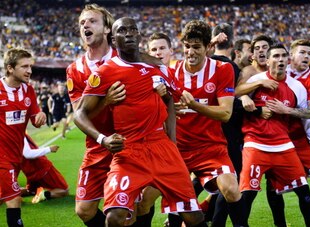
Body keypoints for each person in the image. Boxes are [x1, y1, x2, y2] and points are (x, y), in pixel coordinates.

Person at [74, 17, 207, 227]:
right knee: (115, 216)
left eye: (132, 29)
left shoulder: (158, 67)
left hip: (162, 148)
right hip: (129, 150)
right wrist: (103, 139)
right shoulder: (105, 72)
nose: (128, 33)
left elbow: (171, 99)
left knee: (193, 216)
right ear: (114, 41)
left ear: (138, 36)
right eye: (122, 30)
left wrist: (171, 140)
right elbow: (79, 113)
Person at [172, 20, 246, 227]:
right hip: (179, 149)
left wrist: (194, 105)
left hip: (211, 147)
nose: (190, 52)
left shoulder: (223, 69)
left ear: (207, 48)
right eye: (187, 47)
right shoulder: (172, 72)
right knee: (149, 197)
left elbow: (225, 113)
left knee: (231, 189)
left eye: (196, 47)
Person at [239, 43, 310, 227]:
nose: (280, 59)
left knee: (304, 191)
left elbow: (309, 114)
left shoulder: (296, 86)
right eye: (276, 56)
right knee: (247, 194)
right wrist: (247, 96)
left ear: (287, 60)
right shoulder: (257, 79)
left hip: (283, 145)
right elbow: (233, 94)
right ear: (267, 61)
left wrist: (287, 110)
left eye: (283, 56)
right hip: (255, 144)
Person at [266, 39, 310, 227]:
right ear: (291, 55)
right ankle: (280, 224)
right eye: (302, 52)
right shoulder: (277, 72)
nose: (307, 56)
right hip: (276, 138)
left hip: (300, 139)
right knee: (274, 186)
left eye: (309, 53)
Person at [66, 4, 126, 227]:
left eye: (92, 21)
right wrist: (107, 101)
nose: (85, 25)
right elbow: (80, 114)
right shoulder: (75, 69)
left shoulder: (123, 59)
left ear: (107, 29)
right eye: (82, 22)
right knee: (84, 210)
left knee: (125, 211)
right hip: (96, 145)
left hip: (126, 144)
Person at [0, 48, 46, 227]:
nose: (30, 71)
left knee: (7, 197)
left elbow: (35, 120)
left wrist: (40, 116)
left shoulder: (28, 90)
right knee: (14, 199)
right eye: (24, 66)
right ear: (10, 68)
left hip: (16, 156)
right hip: (1, 157)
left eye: (31, 66)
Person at [20, 134, 69, 203]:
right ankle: (43, 195)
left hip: (29, 171)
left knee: (30, 191)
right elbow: (28, 154)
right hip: (41, 168)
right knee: (64, 190)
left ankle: (10, 193)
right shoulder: (17, 130)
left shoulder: (6, 134)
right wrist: (49, 149)